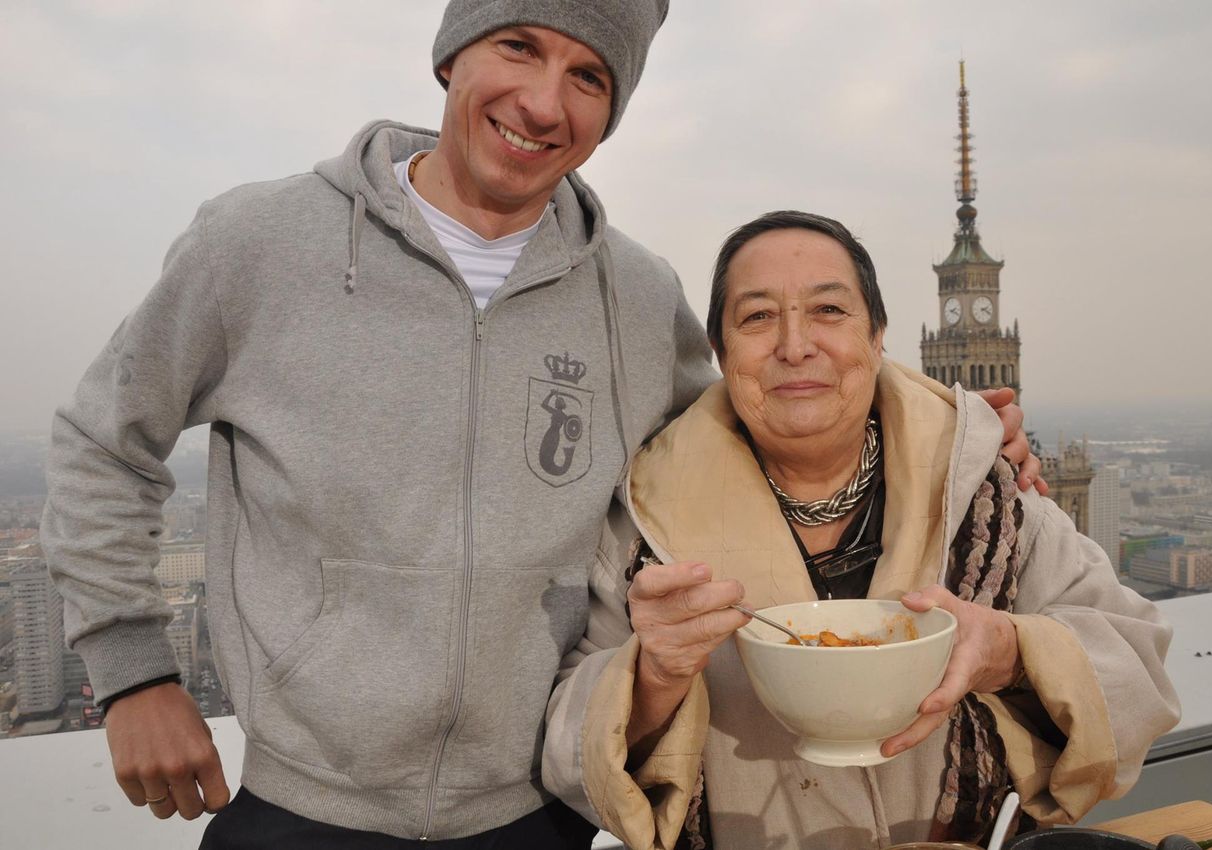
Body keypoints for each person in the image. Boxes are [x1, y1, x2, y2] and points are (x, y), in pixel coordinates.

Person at [41, 3, 1041, 846]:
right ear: (451, 53)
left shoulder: (638, 298)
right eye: (518, 45)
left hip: (543, 814)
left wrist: (959, 437)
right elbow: (104, 441)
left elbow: (757, 425)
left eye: (589, 76)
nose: (542, 102)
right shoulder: (260, 244)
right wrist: (133, 675)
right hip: (301, 810)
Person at [549, 211, 1179, 850]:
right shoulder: (649, 522)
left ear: (878, 336)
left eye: (828, 310)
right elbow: (566, 748)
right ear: (720, 353)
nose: (796, 345)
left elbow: (1140, 677)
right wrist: (651, 679)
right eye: (758, 317)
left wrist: (1012, 652)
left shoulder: (983, 493)